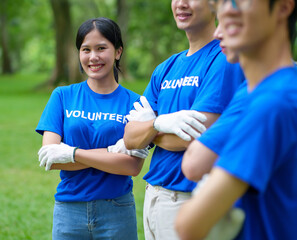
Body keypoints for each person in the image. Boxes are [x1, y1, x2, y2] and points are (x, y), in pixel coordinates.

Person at [175, 0, 297, 239]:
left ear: (283, 7)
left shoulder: (272, 103)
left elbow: (189, 225)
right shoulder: (256, 91)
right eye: (220, 2)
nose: (228, 9)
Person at [123, 0, 244, 239]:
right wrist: (158, 124)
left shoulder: (224, 58)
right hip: (153, 197)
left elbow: (198, 136)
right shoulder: (165, 68)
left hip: (189, 198)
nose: (181, 3)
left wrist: (149, 130)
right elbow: (130, 138)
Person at [35, 17, 149, 240]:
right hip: (69, 211)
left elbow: (132, 166)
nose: (93, 57)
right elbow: (51, 158)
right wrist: (112, 152)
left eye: (101, 48)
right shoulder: (62, 96)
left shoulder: (136, 104)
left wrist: (72, 153)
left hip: (117, 211)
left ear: (118, 52)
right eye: (86, 49)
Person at [181, 23, 247, 182]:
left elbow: (194, 163)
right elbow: (132, 138)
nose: (218, 33)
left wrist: (152, 128)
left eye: (233, 20)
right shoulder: (248, 91)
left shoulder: (272, 95)